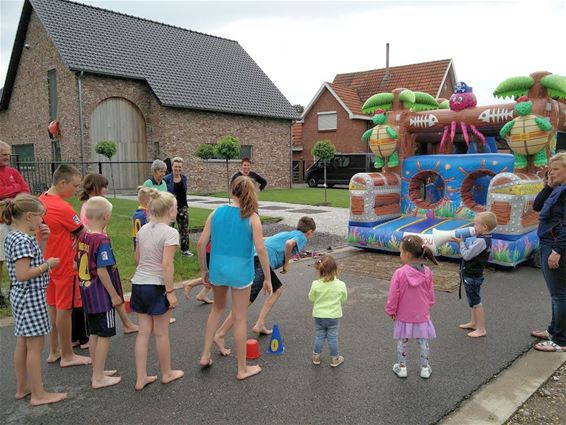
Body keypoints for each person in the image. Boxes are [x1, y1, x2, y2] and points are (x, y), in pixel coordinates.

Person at [197, 176, 272, 380]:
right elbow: (261, 249)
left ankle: (205, 355)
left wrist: (204, 271)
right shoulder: (252, 218)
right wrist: (267, 277)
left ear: (232, 191)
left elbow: (201, 243)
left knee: (217, 309)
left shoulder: (216, 212)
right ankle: (242, 368)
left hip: (218, 270)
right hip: (241, 272)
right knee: (239, 318)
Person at [213, 216, 316, 355]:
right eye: (312, 233)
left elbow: (267, 239)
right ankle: (220, 334)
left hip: (258, 260)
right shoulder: (301, 237)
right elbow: (289, 244)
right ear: (309, 232)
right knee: (244, 303)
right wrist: (286, 264)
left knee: (277, 290)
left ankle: (260, 324)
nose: (311, 236)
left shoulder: (288, 232)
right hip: (261, 263)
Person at [1, 194, 67, 405]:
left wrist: (44, 241)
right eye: (41, 216)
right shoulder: (24, 240)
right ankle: (39, 394)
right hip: (31, 296)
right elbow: (23, 273)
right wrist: (48, 264)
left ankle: (24, 387)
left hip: (21, 296)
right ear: (29, 216)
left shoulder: (14, 236)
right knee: (35, 346)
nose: (43, 220)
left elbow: (29, 262)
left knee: (23, 343)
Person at [39, 165, 91, 367]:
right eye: (75, 185)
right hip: (64, 264)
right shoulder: (63, 207)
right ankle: (68, 355)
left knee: (52, 307)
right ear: (62, 183)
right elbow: (82, 232)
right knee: (65, 309)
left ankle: (54, 350)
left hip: (48, 262)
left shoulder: (41, 199)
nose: (77, 190)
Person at [131, 190, 184, 391]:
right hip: (156, 286)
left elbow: (137, 259)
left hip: (139, 284)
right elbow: (166, 265)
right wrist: (170, 292)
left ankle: (141, 377)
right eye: (176, 207)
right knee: (161, 333)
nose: (177, 210)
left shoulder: (143, 229)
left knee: (143, 333)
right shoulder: (170, 232)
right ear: (170, 211)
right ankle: (167, 373)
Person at [78, 174, 138, 335]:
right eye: (104, 186)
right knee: (112, 290)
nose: (107, 189)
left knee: (111, 289)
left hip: (97, 253)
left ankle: (125, 323)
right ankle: (125, 324)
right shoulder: (92, 210)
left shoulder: (91, 206)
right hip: (100, 254)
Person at [76, 197, 122, 389]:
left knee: (94, 333)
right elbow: (102, 270)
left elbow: (76, 262)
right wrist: (113, 294)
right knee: (104, 334)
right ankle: (98, 378)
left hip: (87, 293)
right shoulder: (101, 239)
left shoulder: (83, 236)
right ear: (106, 216)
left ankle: (97, 370)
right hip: (101, 296)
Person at [385, 235, 438, 379]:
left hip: (404, 315)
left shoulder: (400, 273)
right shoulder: (427, 271)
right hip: (421, 314)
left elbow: (393, 295)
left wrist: (391, 310)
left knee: (403, 341)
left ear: (407, 254)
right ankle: (425, 368)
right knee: (423, 341)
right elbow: (430, 291)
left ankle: (402, 368)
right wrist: (430, 305)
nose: (400, 254)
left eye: (401, 252)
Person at [531, 152, 566, 352]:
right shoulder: (558, 189)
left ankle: (560, 340)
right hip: (548, 242)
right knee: (556, 293)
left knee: (559, 294)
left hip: (555, 245)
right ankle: (554, 330)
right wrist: (549, 185)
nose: (551, 173)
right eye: (550, 169)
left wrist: (557, 250)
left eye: (556, 169)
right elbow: (537, 206)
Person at [451, 211, 497, 338]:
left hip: (472, 275)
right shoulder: (485, 239)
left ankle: (481, 328)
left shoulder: (481, 241)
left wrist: (460, 243)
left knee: (476, 302)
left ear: (485, 227)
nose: (474, 227)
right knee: (472, 300)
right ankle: (473, 322)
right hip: (473, 274)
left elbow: (467, 255)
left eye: (476, 224)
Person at [0, 140, 30, 308]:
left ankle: (15, 289)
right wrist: (14, 190)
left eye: (8, 154)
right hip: (0, 223)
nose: (8, 157)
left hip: (15, 221)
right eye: (4, 155)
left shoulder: (12, 171)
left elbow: (25, 190)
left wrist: (9, 197)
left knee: (15, 256)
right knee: (0, 259)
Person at [308, 255, 347, 368]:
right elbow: (344, 299)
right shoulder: (341, 284)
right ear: (335, 270)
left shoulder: (315, 284)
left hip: (319, 316)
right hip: (334, 316)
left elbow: (311, 298)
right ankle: (335, 359)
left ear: (319, 270)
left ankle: (316, 356)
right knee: (332, 338)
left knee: (319, 336)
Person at [164, 157, 193, 257]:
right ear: (172, 167)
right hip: (170, 207)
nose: (178, 169)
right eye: (176, 166)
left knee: (184, 229)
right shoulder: (167, 179)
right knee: (168, 228)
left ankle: (185, 250)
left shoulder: (184, 178)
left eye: (179, 167)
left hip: (182, 207)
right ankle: (166, 249)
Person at [132, 186, 151, 251]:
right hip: (145, 247)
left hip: (138, 245)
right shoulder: (145, 215)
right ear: (147, 201)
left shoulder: (137, 213)